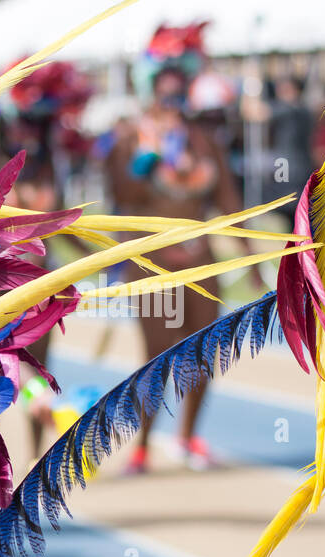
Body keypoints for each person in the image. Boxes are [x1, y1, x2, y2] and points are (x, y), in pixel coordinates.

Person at [105, 23, 266, 473]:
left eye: (179, 87)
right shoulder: (129, 142)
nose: (171, 97)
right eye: (164, 87)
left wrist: (251, 258)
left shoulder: (206, 143)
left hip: (201, 263)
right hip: (151, 266)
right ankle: (141, 448)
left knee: (200, 355)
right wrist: (148, 159)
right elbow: (124, 199)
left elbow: (230, 204)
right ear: (151, 88)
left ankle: (189, 437)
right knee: (156, 358)